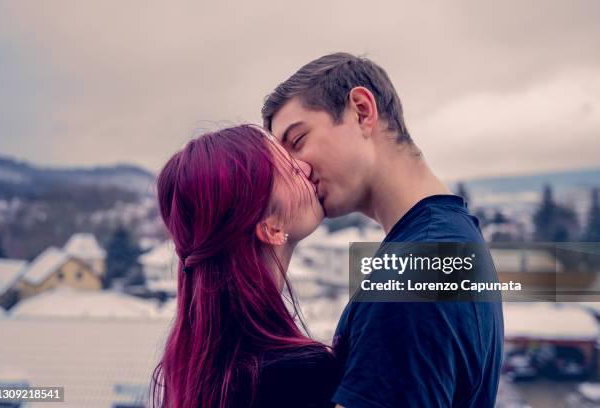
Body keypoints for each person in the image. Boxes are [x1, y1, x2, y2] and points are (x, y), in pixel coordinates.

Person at [262, 52, 504, 407]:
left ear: (361, 110)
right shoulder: (449, 239)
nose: (295, 171)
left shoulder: (418, 270)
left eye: (297, 142)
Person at [150, 124, 340, 408]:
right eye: (291, 170)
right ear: (271, 228)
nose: (307, 167)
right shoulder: (296, 375)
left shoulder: (191, 371)